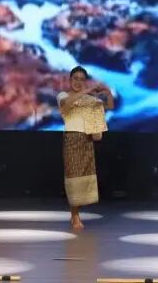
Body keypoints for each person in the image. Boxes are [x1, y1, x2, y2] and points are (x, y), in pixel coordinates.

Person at [58, 66, 114, 230]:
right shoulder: (63, 96)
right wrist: (88, 90)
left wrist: (108, 92)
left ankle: (76, 212)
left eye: (82, 79)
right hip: (72, 139)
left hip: (87, 139)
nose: (78, 82)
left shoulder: (89, 99)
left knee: (84, 177)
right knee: (73, 177)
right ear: (70, 80)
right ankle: (75, 215)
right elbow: (67, 104)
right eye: (75, 78)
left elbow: (109, 106)